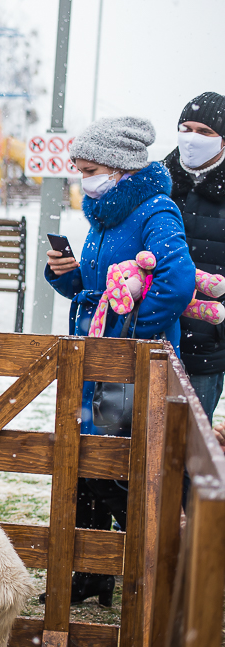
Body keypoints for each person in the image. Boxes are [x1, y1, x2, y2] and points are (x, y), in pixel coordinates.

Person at [44, 116, 195, 605]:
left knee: (108, 469)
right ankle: (91, 576)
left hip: (126, 369)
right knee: (86, 468)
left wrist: (130, 334)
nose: (82, 178)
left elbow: (176, 282)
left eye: (89, 168)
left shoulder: (156, 211)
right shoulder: (105, 216)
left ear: (118, 168)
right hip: (95, 363)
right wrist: (65, 275)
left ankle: (159, 558)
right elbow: (97, 289)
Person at [163, 92, 225, 424]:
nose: (192, 138)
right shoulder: (158, 183)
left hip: (205, 344)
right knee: (136, 445)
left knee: (188, 451)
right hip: (153, 334)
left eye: (204, 131)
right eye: (185, 128)